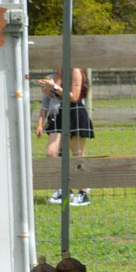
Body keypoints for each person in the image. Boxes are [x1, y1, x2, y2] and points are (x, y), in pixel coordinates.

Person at [36, 67, 91, 206]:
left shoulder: (75, 71)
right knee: (52, 153)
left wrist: (53, 87)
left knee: (77, 154)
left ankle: (83, 193)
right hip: (58, 115)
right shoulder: (54, 74)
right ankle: (63, 189)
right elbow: (56, 97)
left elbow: (74, 97)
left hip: (75, 113)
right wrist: (49, 90)